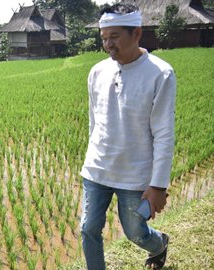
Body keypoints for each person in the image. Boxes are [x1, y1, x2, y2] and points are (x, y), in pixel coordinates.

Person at [80, 3, 176, 270]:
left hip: (134, 173)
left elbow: (164, 133)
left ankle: (159, 244)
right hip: (97, 169)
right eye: (104, 38)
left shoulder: (160, 73)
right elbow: (94, 122)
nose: (108, 44)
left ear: (137, 34)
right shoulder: (97, 72)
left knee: (136, 232)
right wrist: (91, 158)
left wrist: (158, 185)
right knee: (88, 229)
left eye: (114, 37)